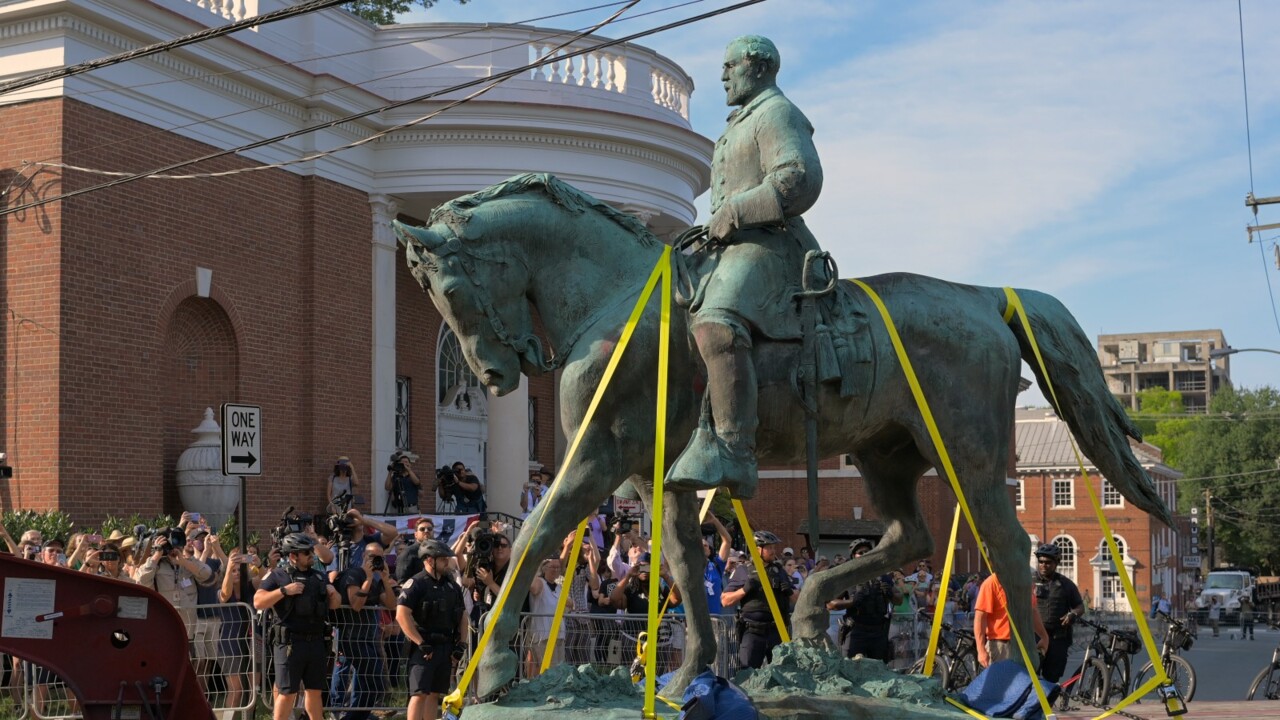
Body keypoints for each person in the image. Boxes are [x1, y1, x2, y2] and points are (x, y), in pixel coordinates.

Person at [667, 35, 824, 499]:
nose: (722, 75)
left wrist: (735, 212)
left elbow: (799, 178)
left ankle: (735, 448)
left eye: (729, 65)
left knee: (715, 325)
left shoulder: (778, 113)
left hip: (772, 247)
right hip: (730, 247)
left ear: (758, 66)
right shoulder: (742, 120)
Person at [254, 533, 341, 720]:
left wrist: (333, 593)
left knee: (315, 692)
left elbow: (335, 605)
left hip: (316, 642)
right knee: (287, 693)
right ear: (293, 556)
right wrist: (284, 591)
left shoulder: (319, 576)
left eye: (311, 550)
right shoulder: (278, 575)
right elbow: (258, 601)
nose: (311, 554)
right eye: (306, 552)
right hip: (289, 643)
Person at [397, 539, 466, 720]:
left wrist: (462, 644)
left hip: (445, 646)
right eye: (442, 558)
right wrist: (420, 642)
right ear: (429, 560)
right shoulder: (417, 583)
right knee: (419, 693)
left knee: (434, 694)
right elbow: (401, 615)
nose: (447, 562)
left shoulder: (452, 586)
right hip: (424, 648)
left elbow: (463, 616)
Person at [331, 542, 398, 720]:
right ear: (363, 557)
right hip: (352, 637)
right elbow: (356, 605)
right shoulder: (353, 575)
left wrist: (384, 579)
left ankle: (359, 716)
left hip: (369, 637)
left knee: (369, 682)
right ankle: (351, 716)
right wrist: (368, 580)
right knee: (372, 680)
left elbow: (392, 605)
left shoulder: (378, 580)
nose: (375, 561)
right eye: (372, 557)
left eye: (380, 558)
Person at [722, 530, 796, 669]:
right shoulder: (744, 570)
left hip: (777, 631)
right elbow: (725, 600)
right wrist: (745, 589)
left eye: (774, 547)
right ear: (757, 550)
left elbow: (796, 599)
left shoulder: (779, 570)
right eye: (769, 548)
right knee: (747, 674)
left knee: (784, 674)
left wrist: (789, 591)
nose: (773, 551)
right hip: (753, 632)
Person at [135, 527, 213, 642]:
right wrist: (157, 554)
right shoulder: (156, 565)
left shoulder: (188, 563)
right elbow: (141, 579)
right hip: (163, 628)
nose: (177, 546)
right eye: (173, 541)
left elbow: (206, 573)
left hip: (188, 630)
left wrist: (183, 562)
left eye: (179, 541)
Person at [829, 539, 900, 662]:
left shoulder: (883, 576)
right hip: (856, 631)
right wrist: (852, 601)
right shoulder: (847, 577)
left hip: (879, 631)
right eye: (860, 552)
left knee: (880, 671)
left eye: (867, 552)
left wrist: (890, 594)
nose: (864, 554)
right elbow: (831, 604)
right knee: (851, 670)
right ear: (853, 556)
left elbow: (899, 600)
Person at [1031, 544, 1084, 683]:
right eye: (1041, 562)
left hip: (1057, 639)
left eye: (1048, 562)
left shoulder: (1066, 584)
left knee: (1051, 679)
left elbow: (1080, 606)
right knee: (1030, 677)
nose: (1044, 565)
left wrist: (1073, 614)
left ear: (1056, 563)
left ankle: (1048, 704)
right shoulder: (1029, 582)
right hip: (1034, 637)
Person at [973, 572, 1048, 668]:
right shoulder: (992, 583)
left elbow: (1032, 611)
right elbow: (980, 617)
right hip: (1001, 647)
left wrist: (1044, 636)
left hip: (1024, 645)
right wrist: (981, 650)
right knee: (1002, 682)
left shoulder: (1025, 581)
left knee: (1024, 681)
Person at [397, 518, 435, 583]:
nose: (426, 531)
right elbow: (402, 581)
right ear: (416, 534)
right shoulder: (408, 552)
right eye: (422, 529)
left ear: (433, 533)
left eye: (429, 529)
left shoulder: (437, 551)